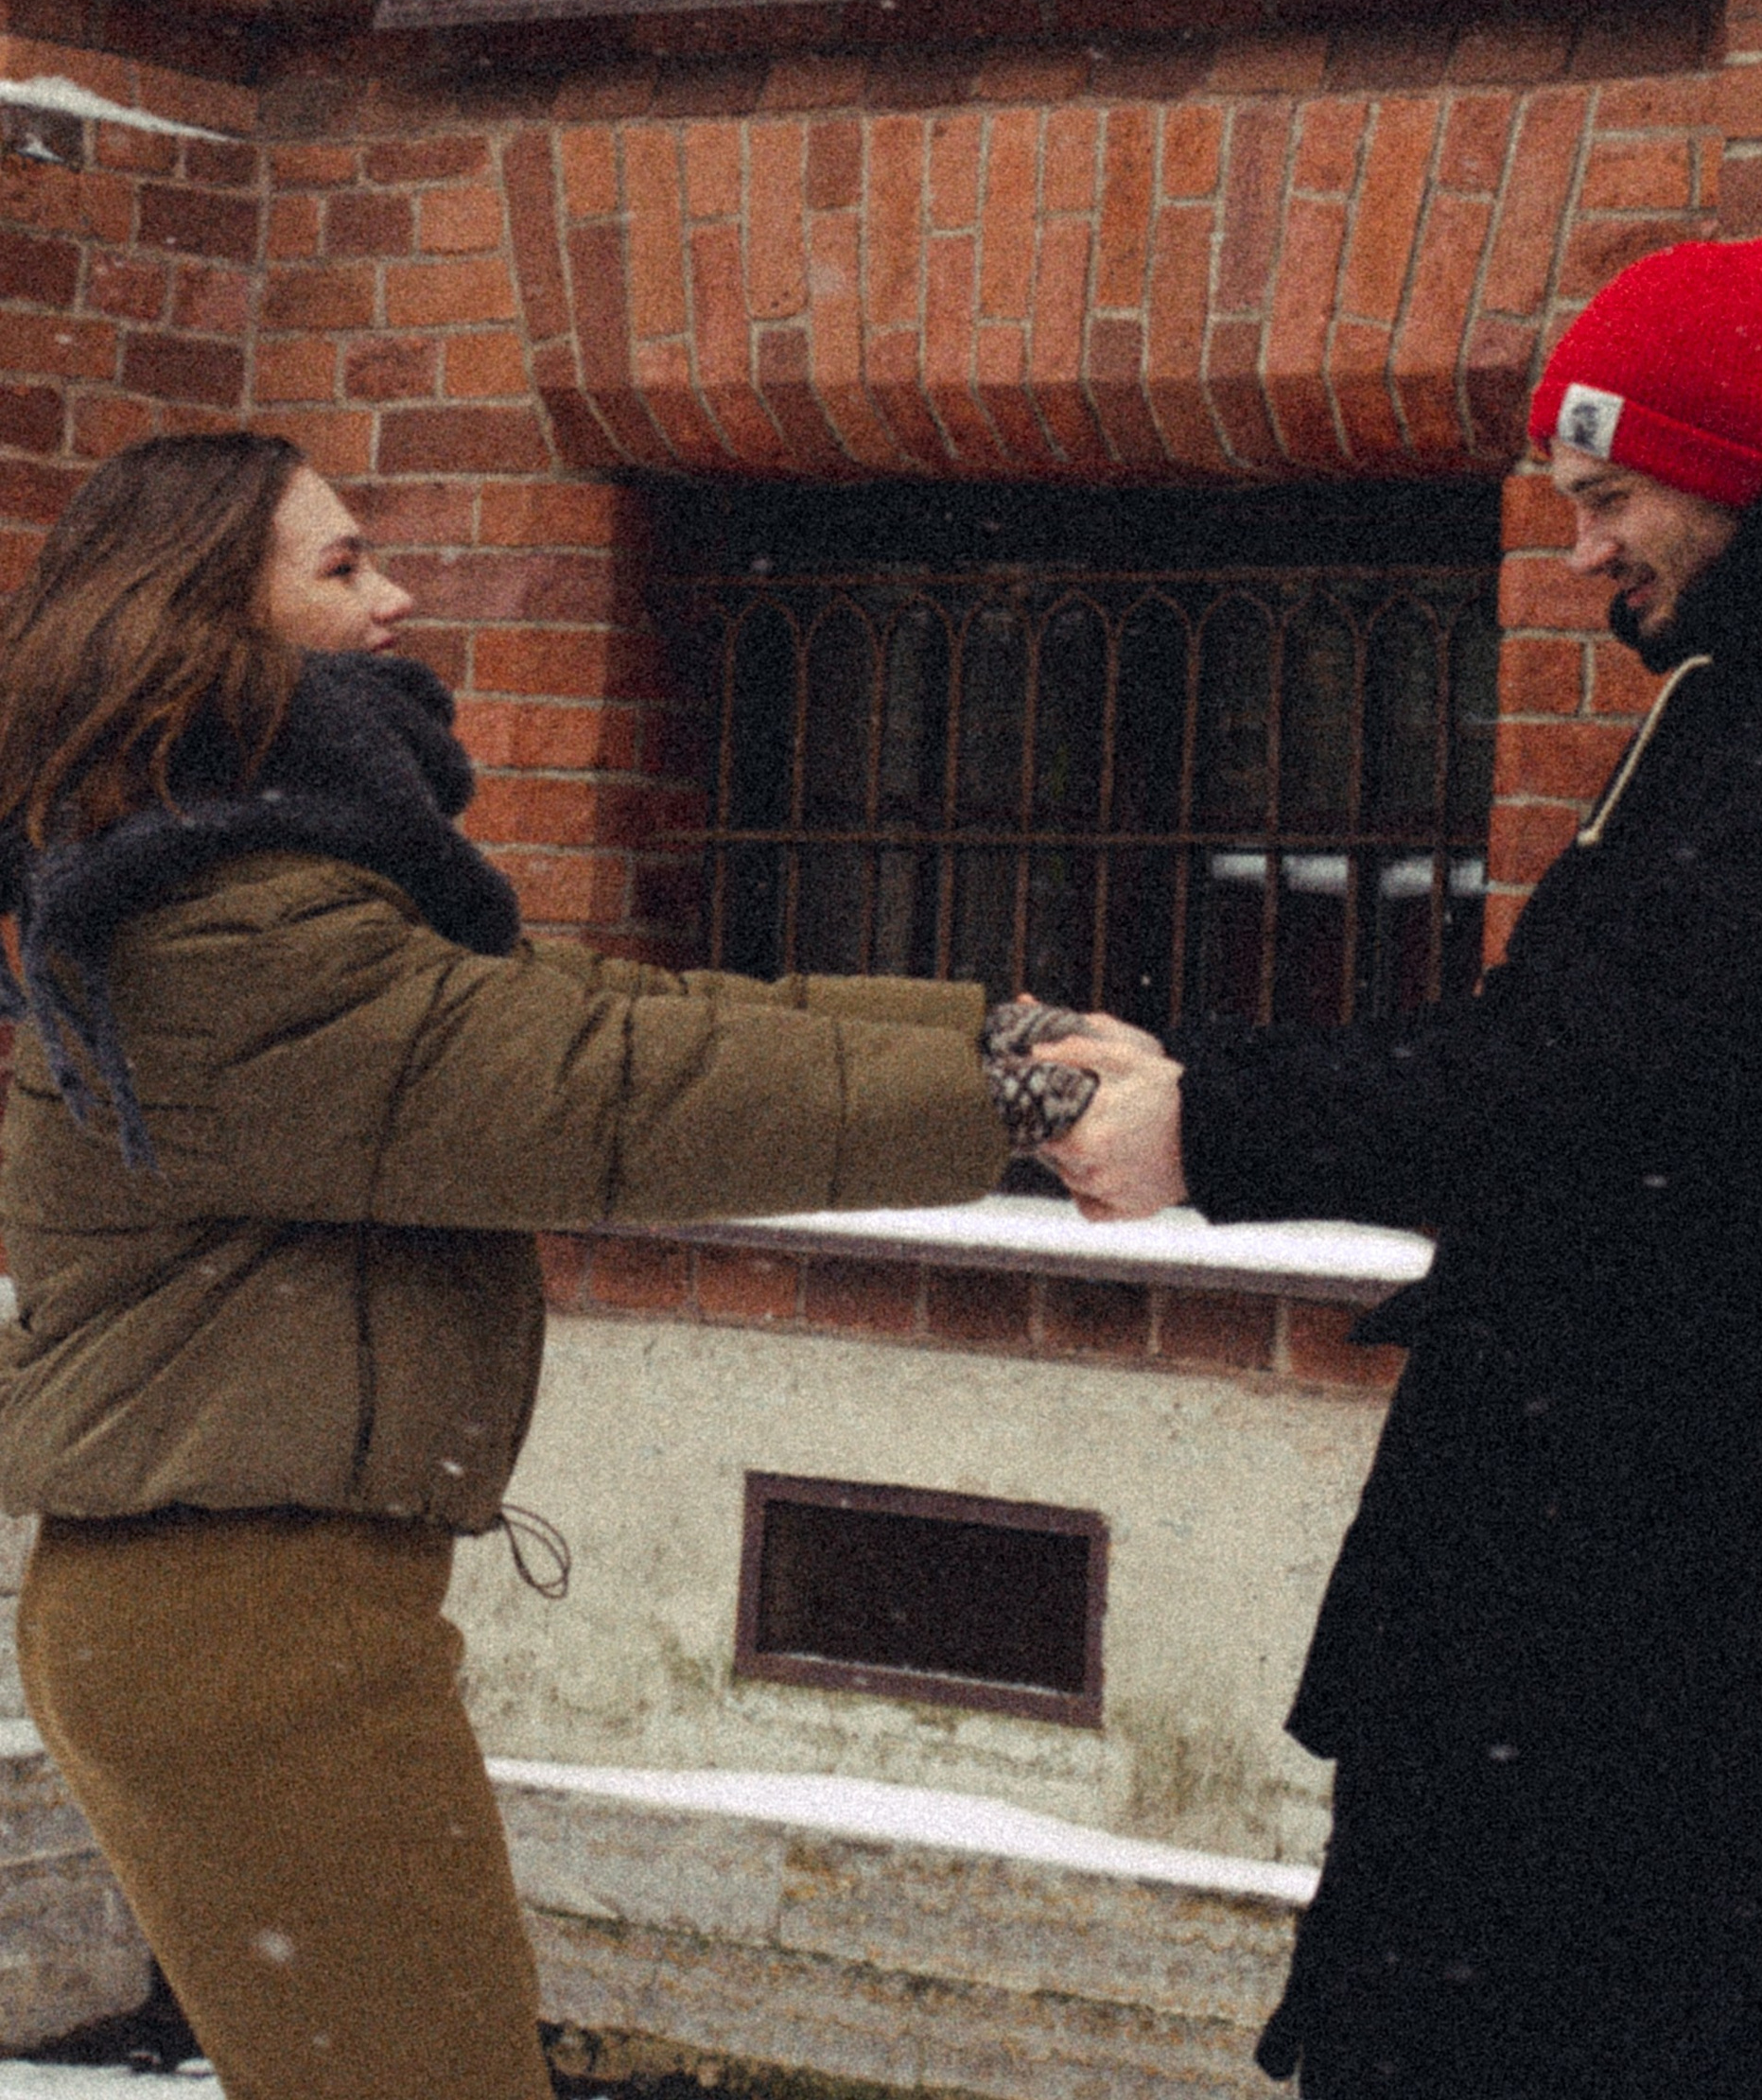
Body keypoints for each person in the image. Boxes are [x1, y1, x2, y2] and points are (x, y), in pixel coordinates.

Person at [1017, 236, 1762, 2100]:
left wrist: (1213, 1124)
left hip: (1673, 1622)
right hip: (1633, 1583)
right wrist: (1217, 1080)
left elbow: (1598, 1076)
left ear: (1733, 472)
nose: (1582, 547)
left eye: (1607, 497)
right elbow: (1601, 1060)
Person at [0, 431, 1010, 2100]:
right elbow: (587, 1094)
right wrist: (1001, 1106)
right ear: (199, 614)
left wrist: (990, 1037)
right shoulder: (213, 924)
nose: (397, 597)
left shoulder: (236, 874)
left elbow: (589, 1014)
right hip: (243, 1622)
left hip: (247, 1609)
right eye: (339, 568)